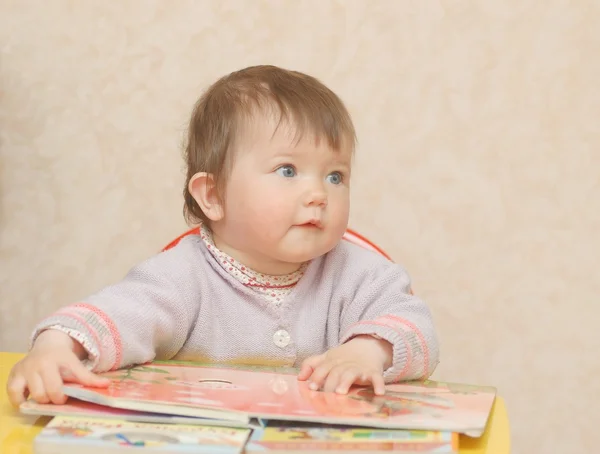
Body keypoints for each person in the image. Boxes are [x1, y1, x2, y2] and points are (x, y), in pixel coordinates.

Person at [7, 65, 440, 407]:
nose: (318, 194)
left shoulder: (358, 271)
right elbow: (114, 315)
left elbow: (417, 328)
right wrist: (53, 347)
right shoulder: (183, 277)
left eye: (335, 175)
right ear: (213, 195)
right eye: (287, 170)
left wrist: (369, 351)